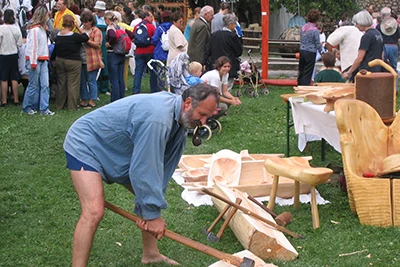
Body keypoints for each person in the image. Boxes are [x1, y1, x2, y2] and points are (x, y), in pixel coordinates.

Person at [63, 83, 219, 267]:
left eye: (207, 117)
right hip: (86, 143)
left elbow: (158, 172)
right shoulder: (158, 119)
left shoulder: (179, 121)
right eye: (202, 114)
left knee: (150, 193)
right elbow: (144, 167)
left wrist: (151, 207)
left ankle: (150, 254)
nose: (203, 122)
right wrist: (151, 216)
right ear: (188, 102)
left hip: (117, 149)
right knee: (94, 211)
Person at [22, 6, 54, 115]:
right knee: (33, 85)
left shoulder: (41, 29)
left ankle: (44, 108)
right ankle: (28, 106)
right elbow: (33, 46)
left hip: (43, 59)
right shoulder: (35, 30)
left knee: (45, 84)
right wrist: (33, 62)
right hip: (35, 59)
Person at [52, 14, 89, 110]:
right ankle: (72, 106)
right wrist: (78, 27)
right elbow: (85, 37)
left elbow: (55, 50)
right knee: (73, 84)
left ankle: (59, 105)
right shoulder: (75, 36)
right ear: (72, 24)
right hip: (73, 61)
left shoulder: (58, 36)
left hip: (60, 60)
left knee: (61, 83)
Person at [342, 10, 384, 80]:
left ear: (362, 22)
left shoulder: (366, 36)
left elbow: (359, 58)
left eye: (357, 23)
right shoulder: (378, 34)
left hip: (366, 71)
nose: (356, 26)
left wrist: (348, 73)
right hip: (377, 69)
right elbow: (382, 54)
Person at [208, 13, 242, 90]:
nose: (235, 26)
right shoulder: (233, 36)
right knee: (226, 88)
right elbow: (238, 52)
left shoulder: (214, 35)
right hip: (228, 66)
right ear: (230, 24)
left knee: (214, 88)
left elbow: (209, 50)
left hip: (215, 65)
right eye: (234, 24)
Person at [79, 11, 104, 109]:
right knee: (82, 81)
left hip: (93, 60)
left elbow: (97, 45)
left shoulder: (96, 31)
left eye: (86, 22)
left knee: (91, 80)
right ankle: (84, 99)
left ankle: (92, 100)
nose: (84, 24)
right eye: (83, 22)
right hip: (81, 59)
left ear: (91, 22)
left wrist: (85, 38)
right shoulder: (81, 29)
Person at [0, 9, 22, 106]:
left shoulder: (1, 28)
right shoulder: (16, 28)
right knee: (14, 77)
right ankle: (16, 99)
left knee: (3, 78)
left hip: (3, 54)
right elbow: (20, 43)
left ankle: (4, 100)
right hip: (13, 54)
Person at [132, 11, 156, 94]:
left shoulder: (136, 27)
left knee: (138, 71)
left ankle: (136, 90)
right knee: (152, 71)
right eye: (150, 16)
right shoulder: (151, 26)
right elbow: (155, 38)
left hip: (139, 51)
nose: (152, 18)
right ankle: (153, 89)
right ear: (146, 17)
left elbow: (133, 36)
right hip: (150, 51)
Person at [297, 9, 322, 86]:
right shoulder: (315, 31)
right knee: (308, 71)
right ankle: (305, 86)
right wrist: (322, 52)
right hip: (311, 52)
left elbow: (301, 39)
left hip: (302, 50)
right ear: (317, 19)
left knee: (301, 69)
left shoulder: (303, 28)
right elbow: (317, 43)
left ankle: (299, 84)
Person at [376, 11, 400, 91]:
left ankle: (382, 87)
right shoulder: (396, 26)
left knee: (381, 66)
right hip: (393, 46)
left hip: (383, 47)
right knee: (393, 67)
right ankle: (395, 88)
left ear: (382, 15)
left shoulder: (379, 26)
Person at [93, 0, 109, 95]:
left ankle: (104, 87)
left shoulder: (105, 19)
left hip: (104, 44)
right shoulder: (93, 18)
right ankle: (97, 86)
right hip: (96, 43)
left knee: (105, 65)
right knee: (97, 65)